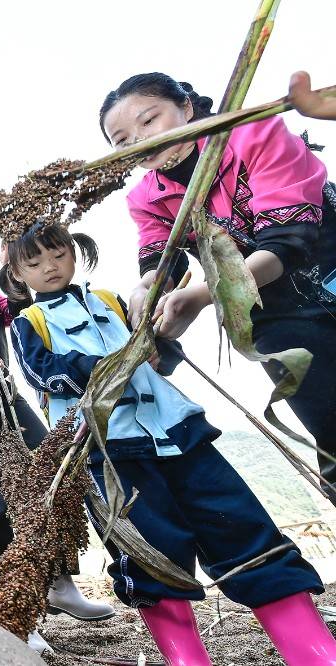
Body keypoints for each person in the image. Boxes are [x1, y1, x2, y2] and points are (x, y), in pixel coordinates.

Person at [4, 222, 333, 666]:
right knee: (150, 550)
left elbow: (158, 354)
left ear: (74, 254)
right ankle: (187, 660)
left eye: (58, 254)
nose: (50, 267)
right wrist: (104, 365)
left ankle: (314, 652)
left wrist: (159, 348)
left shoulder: (111, 302)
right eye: (35, 262)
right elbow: (42, 371)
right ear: (18, 275)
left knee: (239, 522)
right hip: (108, 447)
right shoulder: (29, 322)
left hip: (178, 430)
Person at [100, 72, 336, 502]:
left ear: (186, 107)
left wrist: (204, 296)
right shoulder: (145, 197)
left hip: (324, 264)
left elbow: (289, 241)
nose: (140, 141)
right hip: (273, 312)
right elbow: (160, 260)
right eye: (122, 140)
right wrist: (145, 292)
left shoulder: (252, 132)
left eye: (149, 120)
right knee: (330, 427)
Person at [0, 240, 114, 628]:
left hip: (4, 388)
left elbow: (24, 313)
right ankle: (11, 604)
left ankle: (59, 582)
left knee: (53, 466)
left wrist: (12, 269)